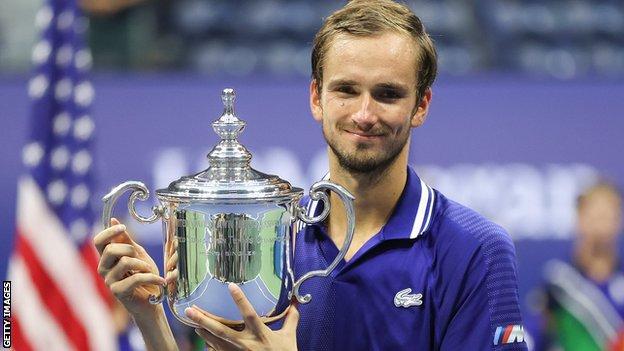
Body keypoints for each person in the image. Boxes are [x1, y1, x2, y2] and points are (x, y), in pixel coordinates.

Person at [94, 0, 528, 349]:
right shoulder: (274, 239)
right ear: (316, 98)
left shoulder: (475, 249)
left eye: (388, 94)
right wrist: (149, 317)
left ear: (422, 105)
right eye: (346, 89)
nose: (364, 114)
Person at [542, 181, 624, 351]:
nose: (601, 227)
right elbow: (532, 333)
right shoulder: (558, 282)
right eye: (595, 217)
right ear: (579, 218)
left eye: (608, 217)